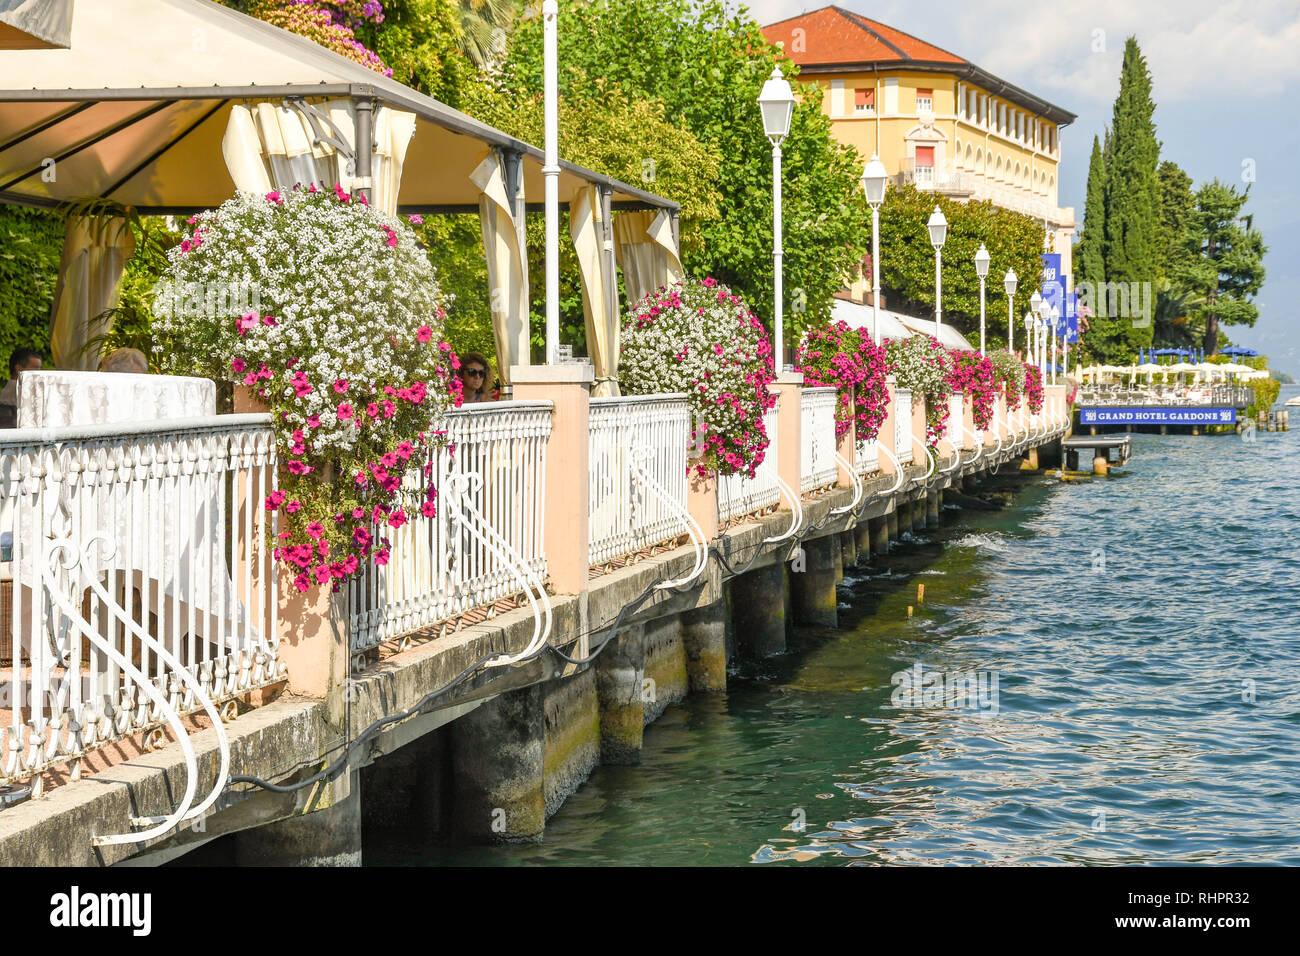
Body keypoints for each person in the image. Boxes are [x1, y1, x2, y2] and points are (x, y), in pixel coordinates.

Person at [0, 347, 42, 428]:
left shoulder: (14, 388)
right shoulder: (17, 390)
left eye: (39, 368)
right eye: (35, 367)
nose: (39, 372)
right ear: (19, 368)